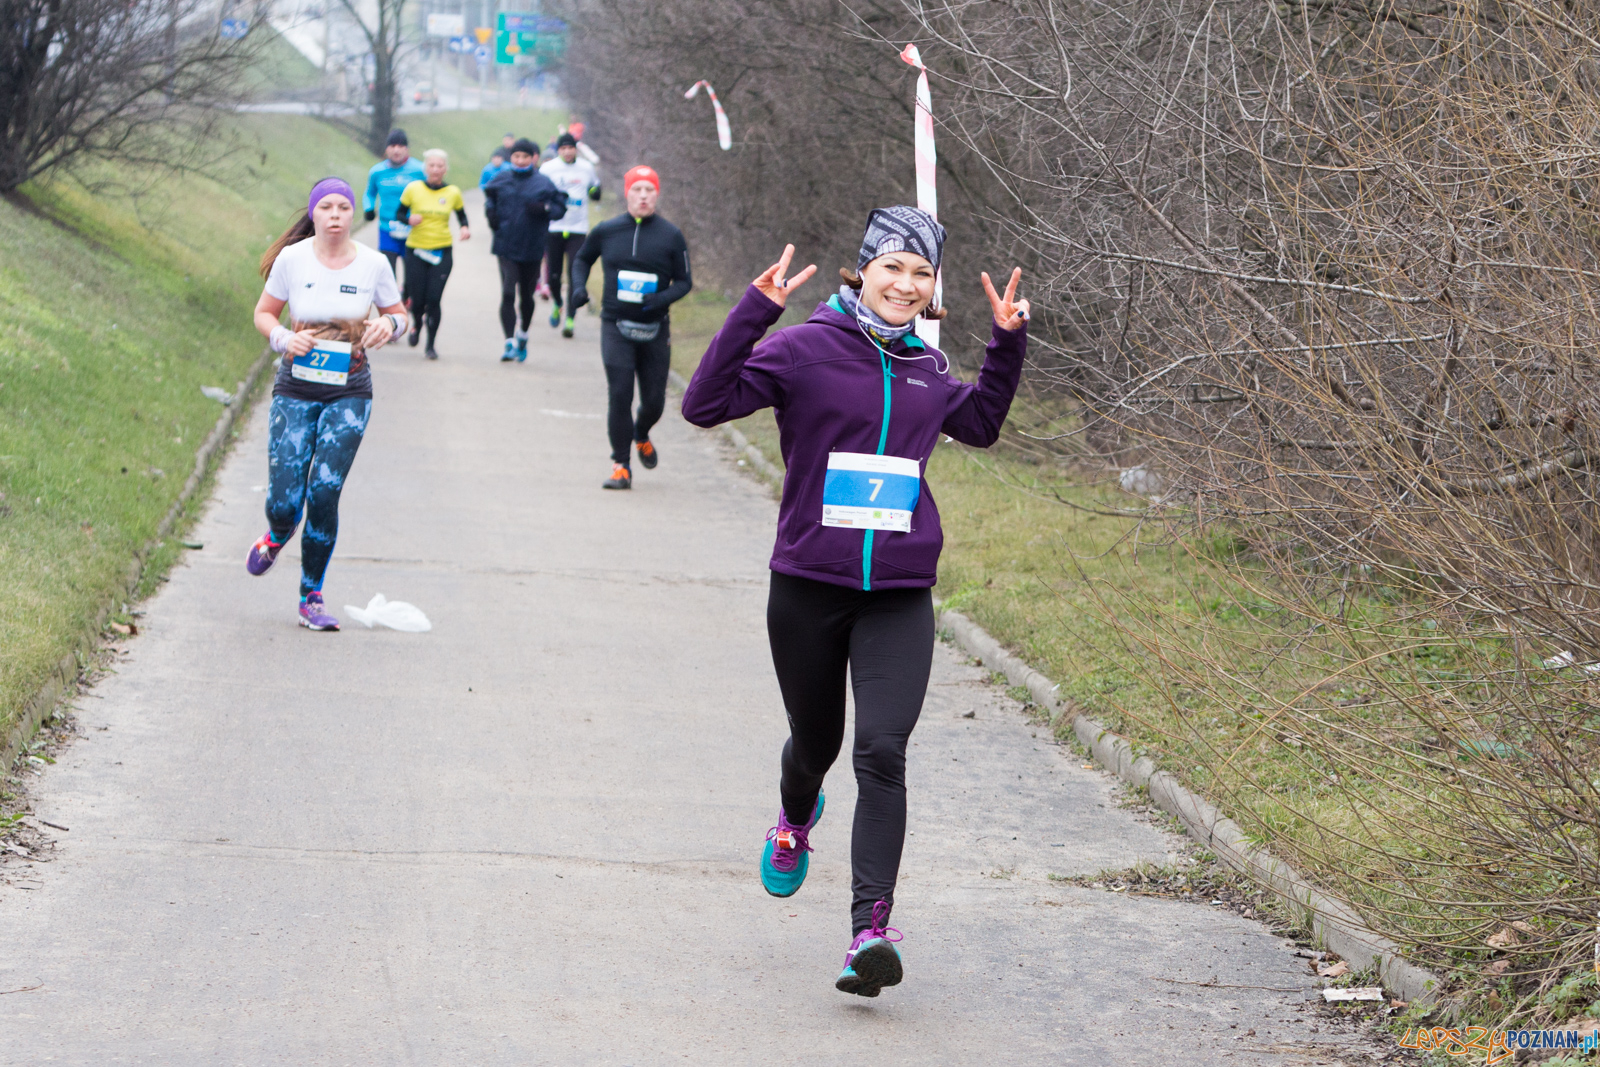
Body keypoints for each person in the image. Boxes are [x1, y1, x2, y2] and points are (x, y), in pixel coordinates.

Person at [680, 208, 1030, 997]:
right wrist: (754, 310)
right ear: (862, 269)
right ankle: (794, 817)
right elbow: (704, 405)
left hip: (897, 594)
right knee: (817, 742)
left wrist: (1006, 345)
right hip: (808, 586)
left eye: (922, 274)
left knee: (883, 749)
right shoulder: (803, 348)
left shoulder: (927, 368)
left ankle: (868, 931)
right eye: (894, 267)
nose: (907, 285)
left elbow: (980, 425)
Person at [249, 178, 408, 631]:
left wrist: (389, 329)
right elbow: (264, 313)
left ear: (352, 214)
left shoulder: (374, 264)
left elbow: (398, 315)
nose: (335, 215)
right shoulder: (291, 259)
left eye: (343, 207)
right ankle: (278, 535)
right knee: (284, 503)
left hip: (349, 391)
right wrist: (283, 337)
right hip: (296, 388)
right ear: (314, 214)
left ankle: (310, 596)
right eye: (327, 208)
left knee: (323, 493)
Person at [569, 165, 691, 489]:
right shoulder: (607, 230)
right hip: (615, 324)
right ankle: (620, 465)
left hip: (654, 327)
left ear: (656, 194)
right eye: (636, 190)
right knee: (620, 394)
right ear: (627, 193)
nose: (642, 196)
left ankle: (641, 432)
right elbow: (582, 259)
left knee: (654, 401)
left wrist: (658, 300)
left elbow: (684, 282)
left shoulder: (670, 235)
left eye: (648, 190)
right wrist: (579, 289)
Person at [484, 137, 567, 362]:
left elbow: (560, 207)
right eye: (516, 156)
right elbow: (490, 198)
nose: (520, 161)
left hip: (532, 247)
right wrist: (492, 216)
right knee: (508, 292)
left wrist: (544, 208)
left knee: (526, 297)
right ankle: (509, 342)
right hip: (506, 245)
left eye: (525, 157)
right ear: (511, 157)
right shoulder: (501, 179)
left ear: (533, 158)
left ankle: (523, 335)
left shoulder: (543, 183)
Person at [396, 149, 470, 360]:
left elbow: (462, 216)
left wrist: (465, 228)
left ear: (445, 169)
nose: (436, 169)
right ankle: (417, 324)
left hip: (441, 251)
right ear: (425, 168)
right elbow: (399, 214)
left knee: (434, 298)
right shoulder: (413, 189)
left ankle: (430, 345)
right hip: (416, 250)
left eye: (440, 166)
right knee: (417, 300)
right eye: (432, 165)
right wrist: (409, 220)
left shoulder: (453, 192)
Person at [539, 132, 601, 338]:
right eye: (563, 148)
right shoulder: (548, 169)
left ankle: (570, 319)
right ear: (558, 150)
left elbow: (595, 187)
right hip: (554, 228)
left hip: (578, 229)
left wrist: (595, 192)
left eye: (570, 148)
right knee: (554, 276)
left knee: (576, 275)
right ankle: (557, 303)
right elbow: (538, 191)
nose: (567, 152)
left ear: (576, 149)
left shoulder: (586, 168)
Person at [362, 130, 426, 276]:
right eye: (392, 146)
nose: (396, 150)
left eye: (400, 146)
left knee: (413, 273)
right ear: (387, 149)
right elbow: (369, 193)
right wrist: (369, 209)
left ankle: (408, 297)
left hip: (413, 228)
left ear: (406, 149)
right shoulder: (377, 171)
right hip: (387, 227)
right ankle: (392, 299)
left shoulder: (419, 170)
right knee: (388, 273)